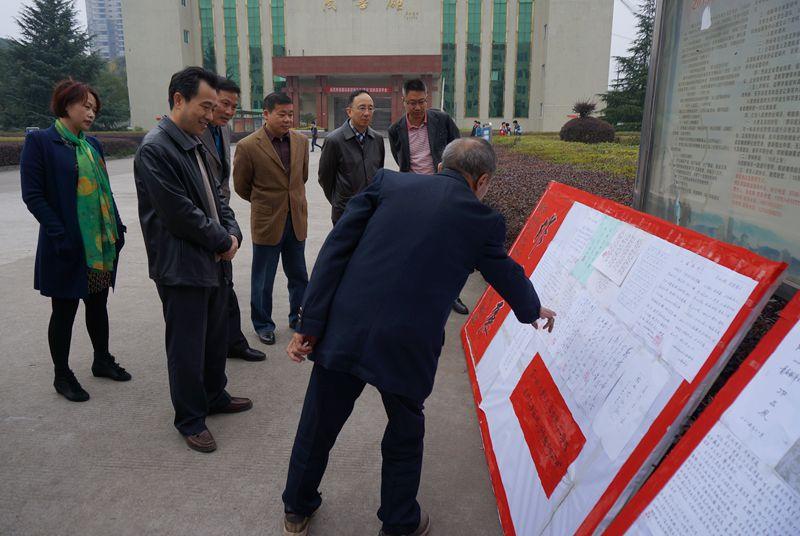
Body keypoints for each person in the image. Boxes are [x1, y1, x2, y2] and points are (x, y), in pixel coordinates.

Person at [280, 137, 556, 536]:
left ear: (442, 166)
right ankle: (399, 522)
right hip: (406, 346)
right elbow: (505, 272)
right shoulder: (483, 221)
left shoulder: (388, 183)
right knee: (404, 434)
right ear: (482, 180)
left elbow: (335, 250)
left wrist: (310, 324)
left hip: (347, 327)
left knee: (318, 423)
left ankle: (296, 508)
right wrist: (532, 309)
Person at [134, 67, 252, 453]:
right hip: (181, 265)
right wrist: (222, 239)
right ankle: (190, 418)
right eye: (205, 106)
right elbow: (179, 213)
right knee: (186, 347)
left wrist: (233, 232)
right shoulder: (156, 148)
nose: (210, 114)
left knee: (215, 337)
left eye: (214, 107)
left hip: (213, 258)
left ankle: (214, 395)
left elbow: (218, 197)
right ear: (178, 100)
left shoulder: (196, 141)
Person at [20, 79, 130, 403]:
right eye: (86, 106)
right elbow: (33, 196)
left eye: (94, 108)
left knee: (98, 304)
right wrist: (60, 234)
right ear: (66, 105)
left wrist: (118, 227)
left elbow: (105, 190)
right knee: (64, 310)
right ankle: (62, 375)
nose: (91, 113)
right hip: (66, 246)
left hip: (98, 245)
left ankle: (102, 360)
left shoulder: (91, 144)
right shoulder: (41, 142)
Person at [233, 92, 310, 347]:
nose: (288, 119)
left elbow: (302, 177)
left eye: (291, 114)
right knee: (263, 278)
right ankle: (263, 325)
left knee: (299, 275)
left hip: (296, 219)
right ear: (266, 114)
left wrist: (290, 201)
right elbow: (242, 186)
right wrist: (267, 203)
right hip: (267, 221)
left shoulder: (301, 141)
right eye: (282, 114)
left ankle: (298, 318)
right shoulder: (248, 146)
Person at [387, 78, 469, 316]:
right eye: (412, 103)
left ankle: (452, 294)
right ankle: (422, 290)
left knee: (448, 245)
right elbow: (401, 160)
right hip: (415, 195)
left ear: (427, 99)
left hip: (443, 190)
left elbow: (459, 149)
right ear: (403, 101)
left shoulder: (442, 120)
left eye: (422, 102)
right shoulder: (395, 130)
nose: (417, 107)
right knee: (419, 244)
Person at [198, 76, 265, 363]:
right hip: (201, 224)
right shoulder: (192, 132)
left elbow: (223, 181)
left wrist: (230, 227)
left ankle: (233, 341)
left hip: (221, 215)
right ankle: (215, 346)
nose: (228, 111)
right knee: (209, 290)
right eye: (223, 104)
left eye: (233, 106)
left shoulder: (222, 129)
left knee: (226, 284)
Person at [318, 89, 385, 224]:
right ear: (349, 111)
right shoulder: (334, 141)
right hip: (345, 214)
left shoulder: (377, 139)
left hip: (371, 211)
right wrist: (339, 203)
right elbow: (325, 178)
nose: (367, 113)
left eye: (370, 108)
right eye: (362, 108)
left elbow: (379, 174)